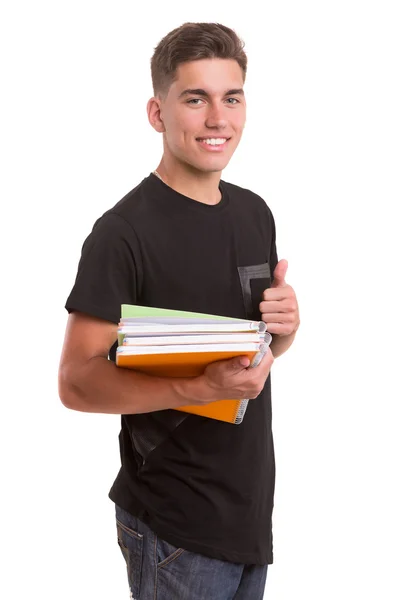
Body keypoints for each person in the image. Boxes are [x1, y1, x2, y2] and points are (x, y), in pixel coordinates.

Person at [58, 21, 300, 600]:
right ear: (157, 113)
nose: (219, 119)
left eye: (231, 97)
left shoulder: (253, 214)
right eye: (196, 99)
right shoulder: (123, 234)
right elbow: (76, 382)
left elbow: (251, 355)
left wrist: (286, 328)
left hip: (247, 513)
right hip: (174, 527)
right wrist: (195, 388)